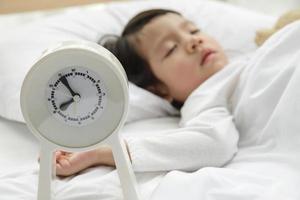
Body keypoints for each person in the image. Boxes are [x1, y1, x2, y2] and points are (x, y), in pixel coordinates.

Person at [54, 9, 238, 176]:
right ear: (159, 89)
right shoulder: (206, 94)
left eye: (193, 30)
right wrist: (103, 152)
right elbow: (212, 143)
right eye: (171, 49)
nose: (193, 41)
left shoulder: (243, 62)